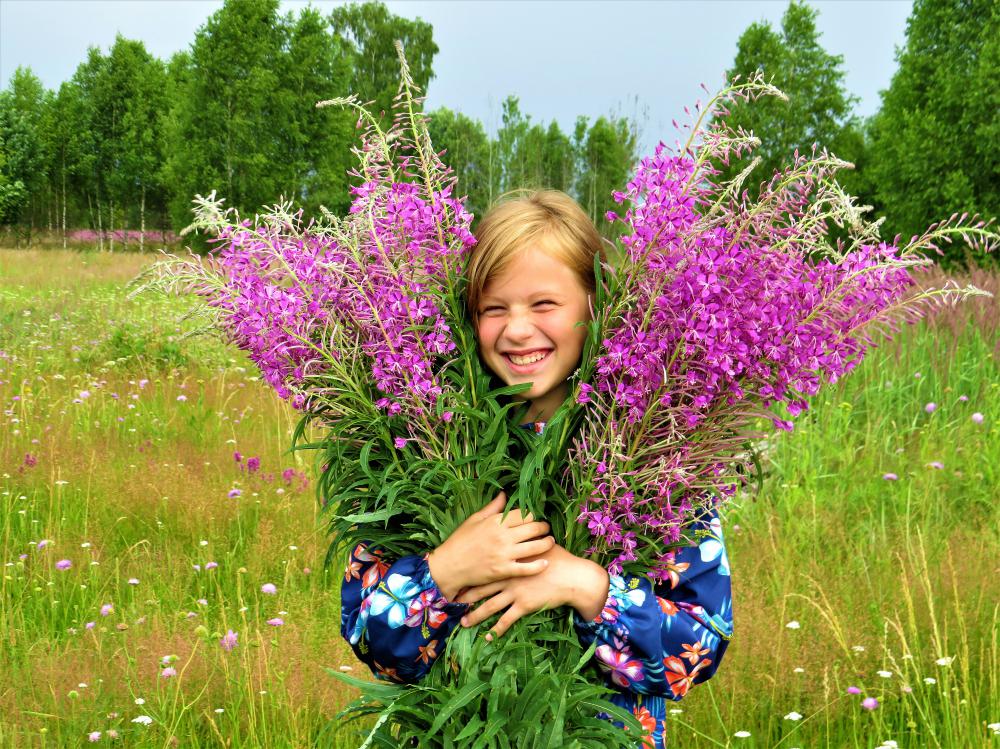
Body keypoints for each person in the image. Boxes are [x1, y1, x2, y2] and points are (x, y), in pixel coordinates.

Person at [341, 190, 733, 748]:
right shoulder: (420, 450)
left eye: (544, 304)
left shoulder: (663, 456)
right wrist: (444, 570)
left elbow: (698, 652)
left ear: (597, 306)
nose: (518, 330)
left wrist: (586, 585)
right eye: (493, 308)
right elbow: (373, 646)